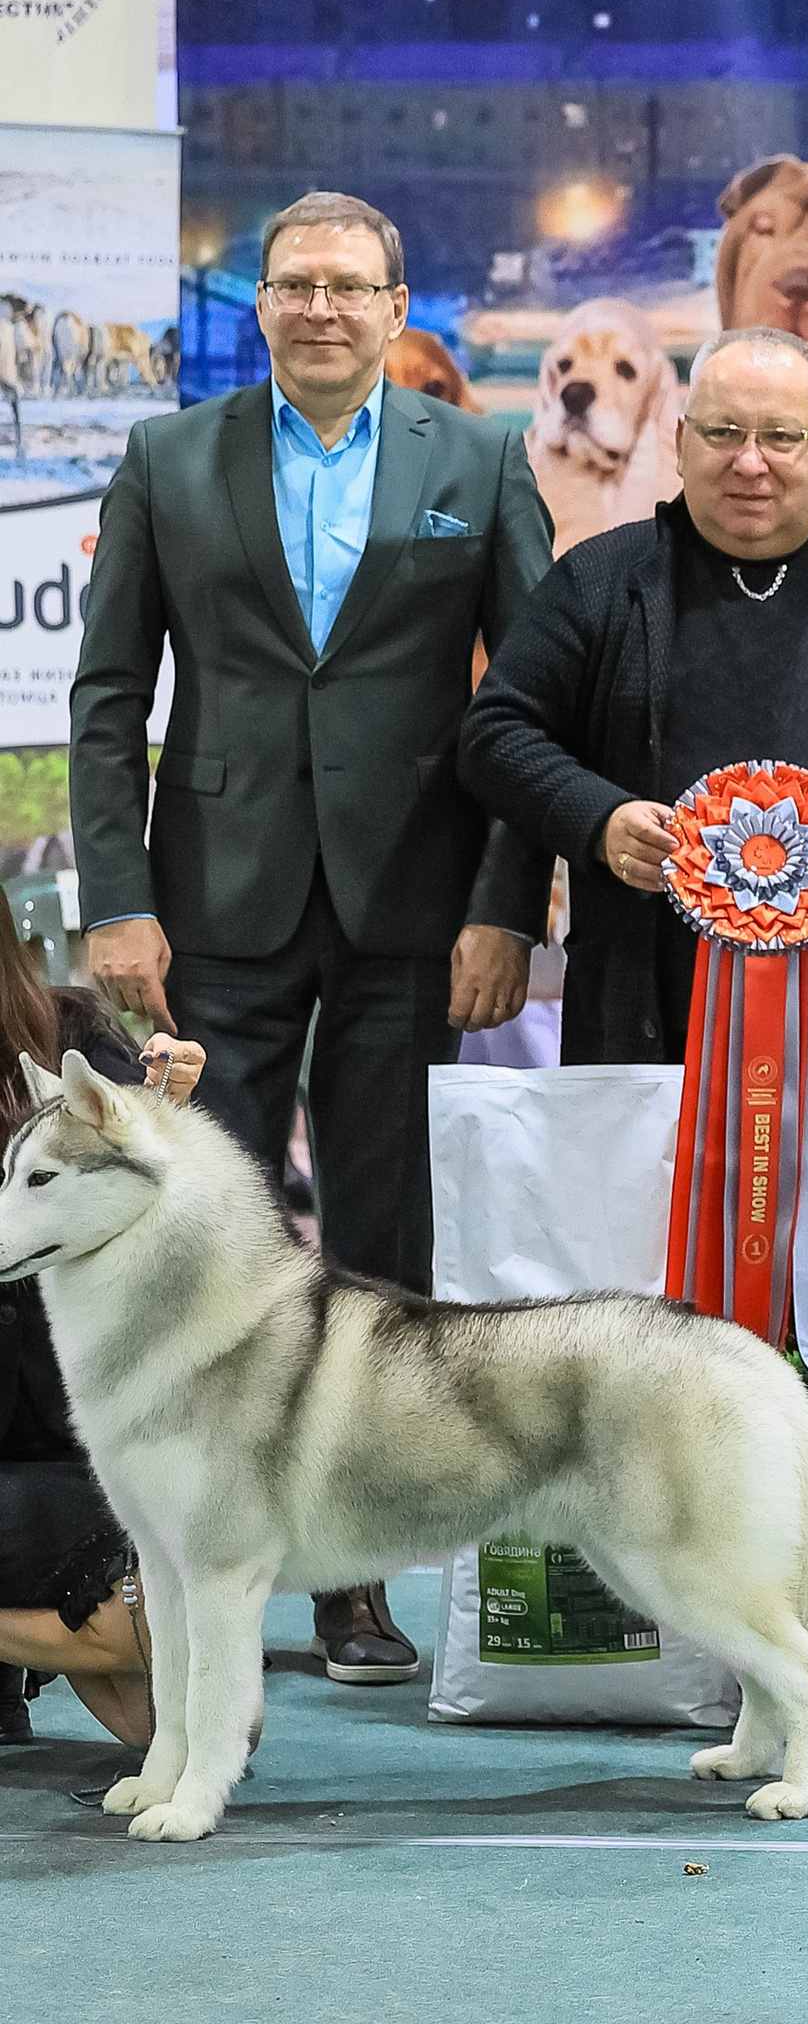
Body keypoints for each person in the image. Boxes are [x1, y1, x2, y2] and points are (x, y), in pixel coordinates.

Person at [68, 188, 553, 1685]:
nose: (323, 309)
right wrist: (118, 898)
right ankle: (167, 1565)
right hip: (212, 903)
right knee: (190, 1234)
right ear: (262, 303)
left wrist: (499, 907)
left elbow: (528, 706)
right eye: (295, 285)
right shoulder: (167, 456)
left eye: (352, 286)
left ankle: (359, 1578)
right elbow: (105, 700)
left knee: (386, 1236)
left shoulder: (478, 456)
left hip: (416, 908)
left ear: (400, 308)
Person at [458, 328, 808, 1217]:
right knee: (636, 1279)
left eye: (781, 437)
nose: (751, 463)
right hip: (640, 1019)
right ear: (683, 438)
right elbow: (498, 732)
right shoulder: (598, 583)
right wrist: (599, 819)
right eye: (723, 434)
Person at [0, 911, 205, 1752]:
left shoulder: (73, 1029)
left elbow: (166, 1190)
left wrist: (169, 1105)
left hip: (79, 1444)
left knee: (189, 1723)